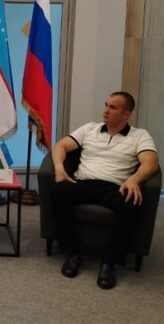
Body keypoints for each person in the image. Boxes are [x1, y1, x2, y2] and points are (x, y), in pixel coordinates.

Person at [51, 91, 159, 290]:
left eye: (113, 107)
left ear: (126, 114)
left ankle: (110, 261)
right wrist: (59, 169)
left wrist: (134, 179)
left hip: (114, 187)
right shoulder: (89, 129)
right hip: (83, 182)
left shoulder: (139, 135)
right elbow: (60, 146)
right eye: (106, 105)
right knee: (58, 192)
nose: (106, 110)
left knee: (132, 202)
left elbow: (151, 162)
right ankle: (74, 252)